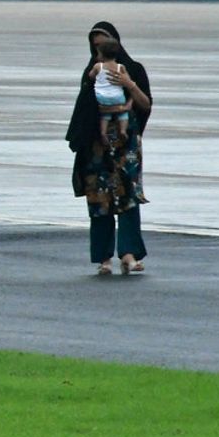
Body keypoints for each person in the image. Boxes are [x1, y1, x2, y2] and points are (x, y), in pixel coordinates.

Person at [67, 21, 153, 276]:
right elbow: (84, 108)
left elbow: (145, 105)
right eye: (94, 47)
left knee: (128, 195)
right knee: (99, 200)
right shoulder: (91, 72)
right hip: (97, 146)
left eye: (102, 45)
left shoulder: (133, 69)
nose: (98, 51)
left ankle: (129, 253)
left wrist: (129, 83)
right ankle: (103, 257)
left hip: (125, 145)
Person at [90, 37, 132, 146]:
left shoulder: (98, 66)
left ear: (101, 54)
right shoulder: (120, 67)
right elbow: (127, 79)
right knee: (123, 114)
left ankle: (103, 133)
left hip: (102, 97)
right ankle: (123, 130)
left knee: (105, 116)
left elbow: (90, 76)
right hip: (117, 97)